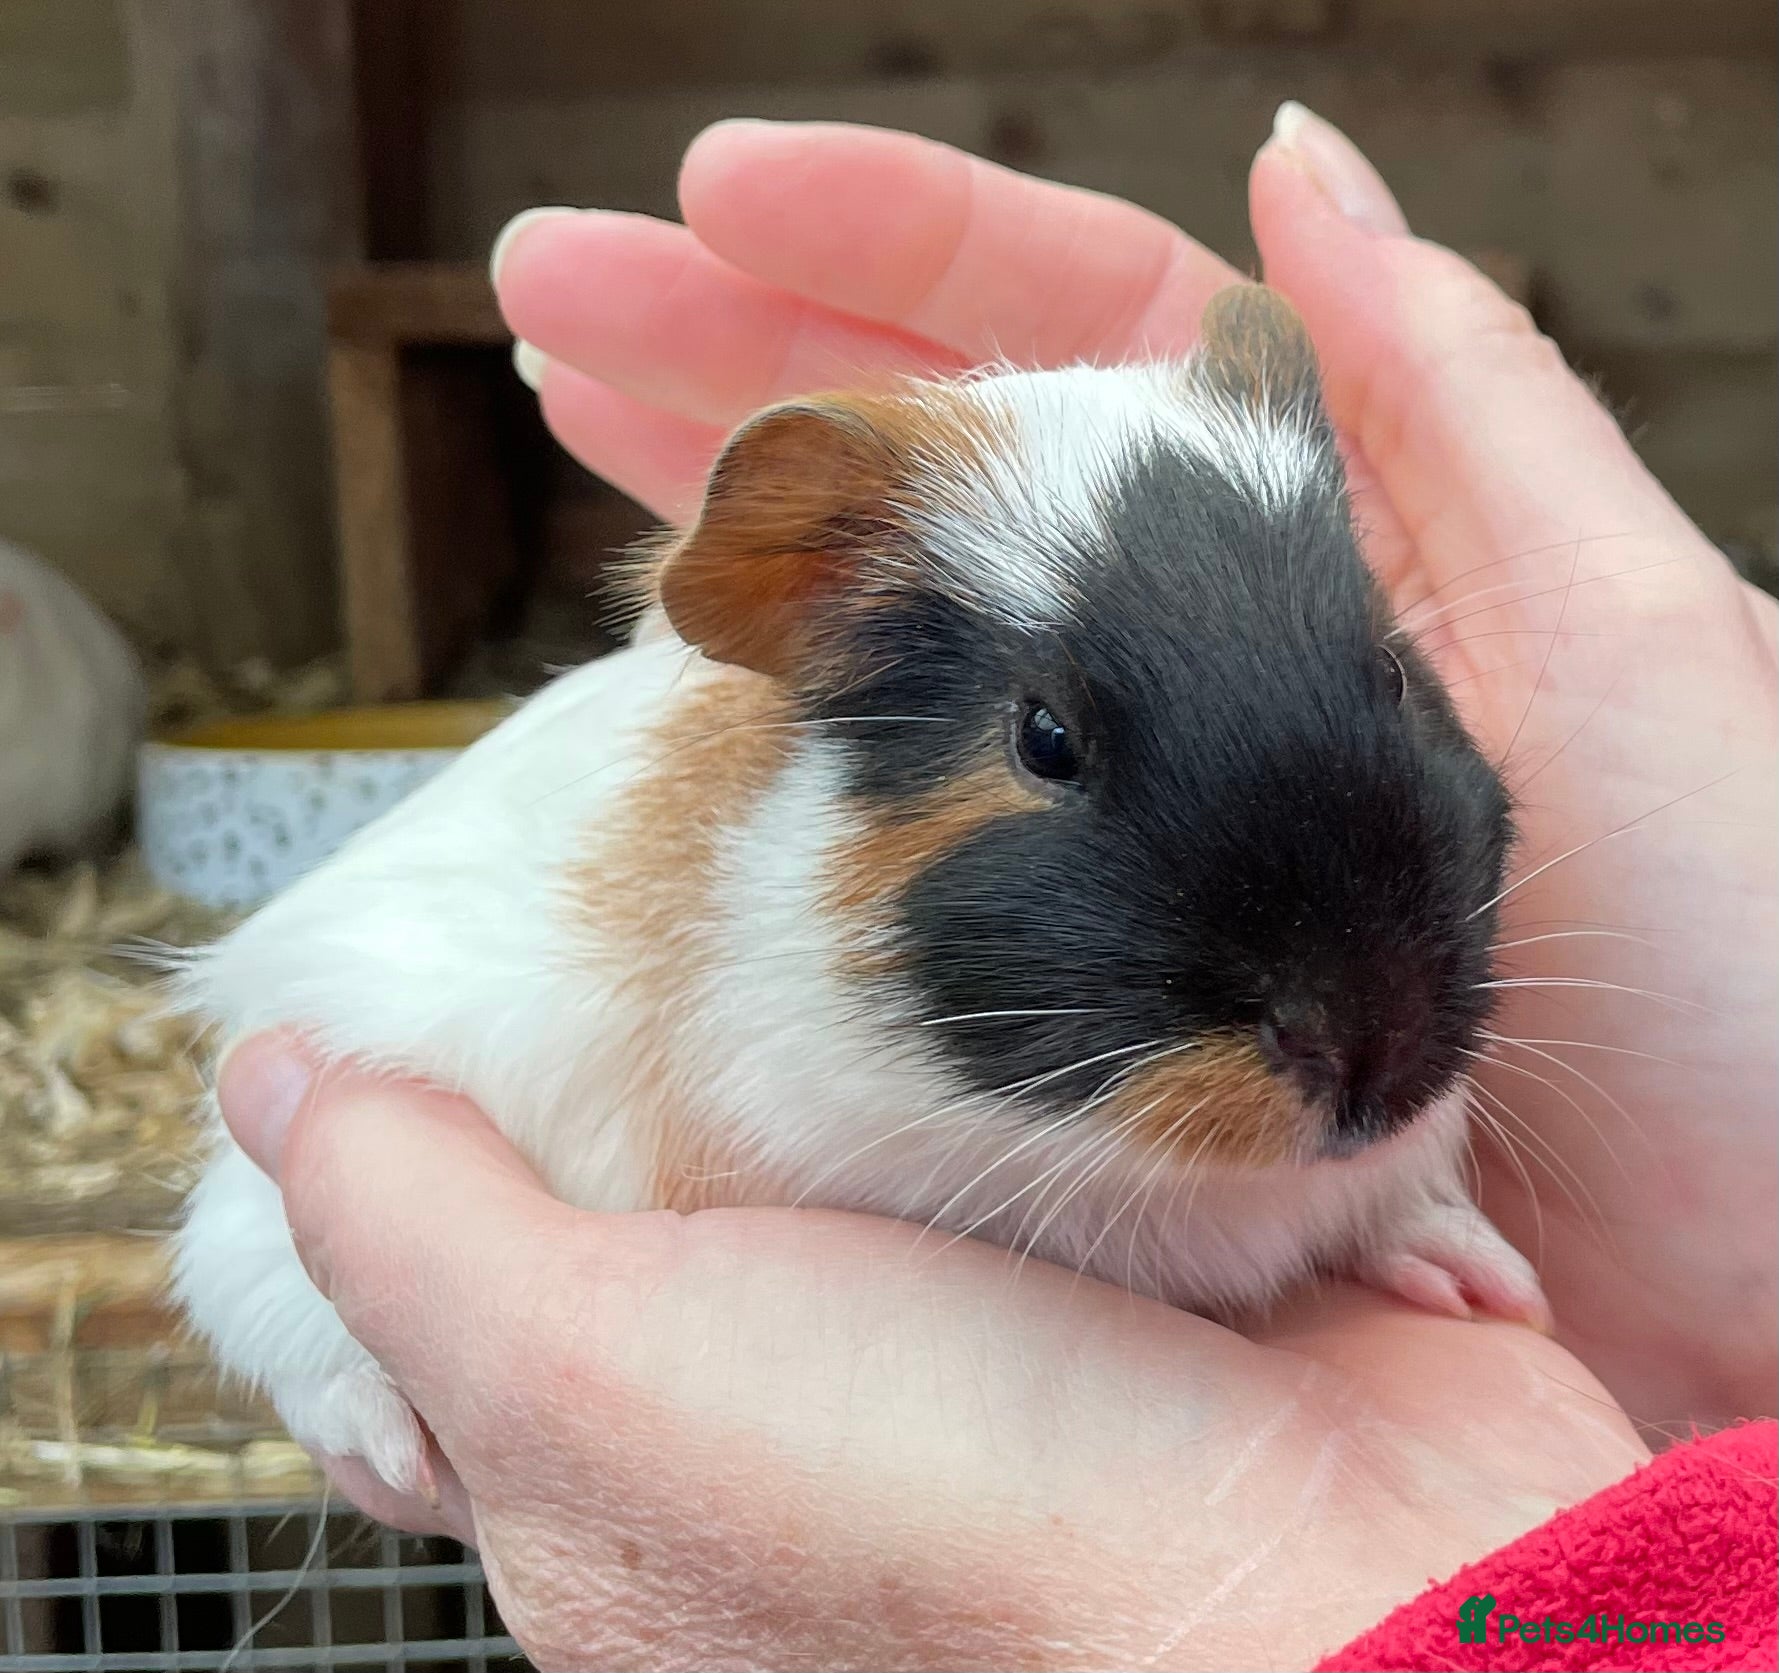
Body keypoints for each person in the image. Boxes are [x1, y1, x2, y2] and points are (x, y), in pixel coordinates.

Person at [218, 106, 1777, 1669]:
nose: (1349, 1018)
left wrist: (1404, 1202)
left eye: (1376, 680)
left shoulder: (1382, 979)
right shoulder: (755, 1027)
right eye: (1051, 745)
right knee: (287, 1222)